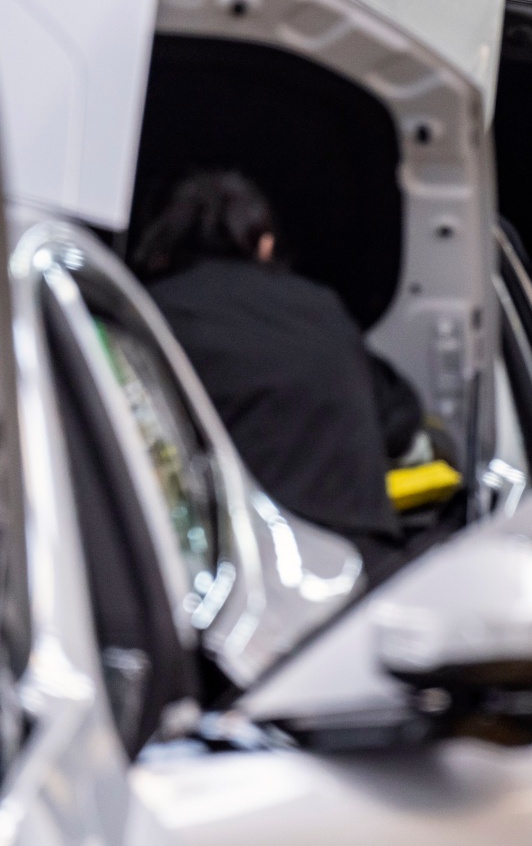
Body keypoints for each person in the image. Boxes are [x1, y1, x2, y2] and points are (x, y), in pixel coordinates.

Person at [134, 171, 418, 576]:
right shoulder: (322, 308)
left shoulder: (153, 315)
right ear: (263, 242)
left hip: (237, 568)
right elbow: (398, 420)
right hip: (357, 562)